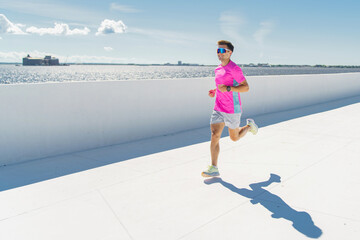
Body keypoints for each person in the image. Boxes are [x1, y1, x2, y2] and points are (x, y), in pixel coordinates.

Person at [201, 40, 258, 178]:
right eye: (217, 51)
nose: (219, 53)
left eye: (222, 50)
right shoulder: (217, 69)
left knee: (234, 137)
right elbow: (221, 85)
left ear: (229, 53)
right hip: (218, 107)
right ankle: (214, 167)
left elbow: (246, 87)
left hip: (232, 109)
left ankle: (249, 127)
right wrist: (215, 91)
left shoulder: (235, 69)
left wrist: (228, 88)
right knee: (215, 136)